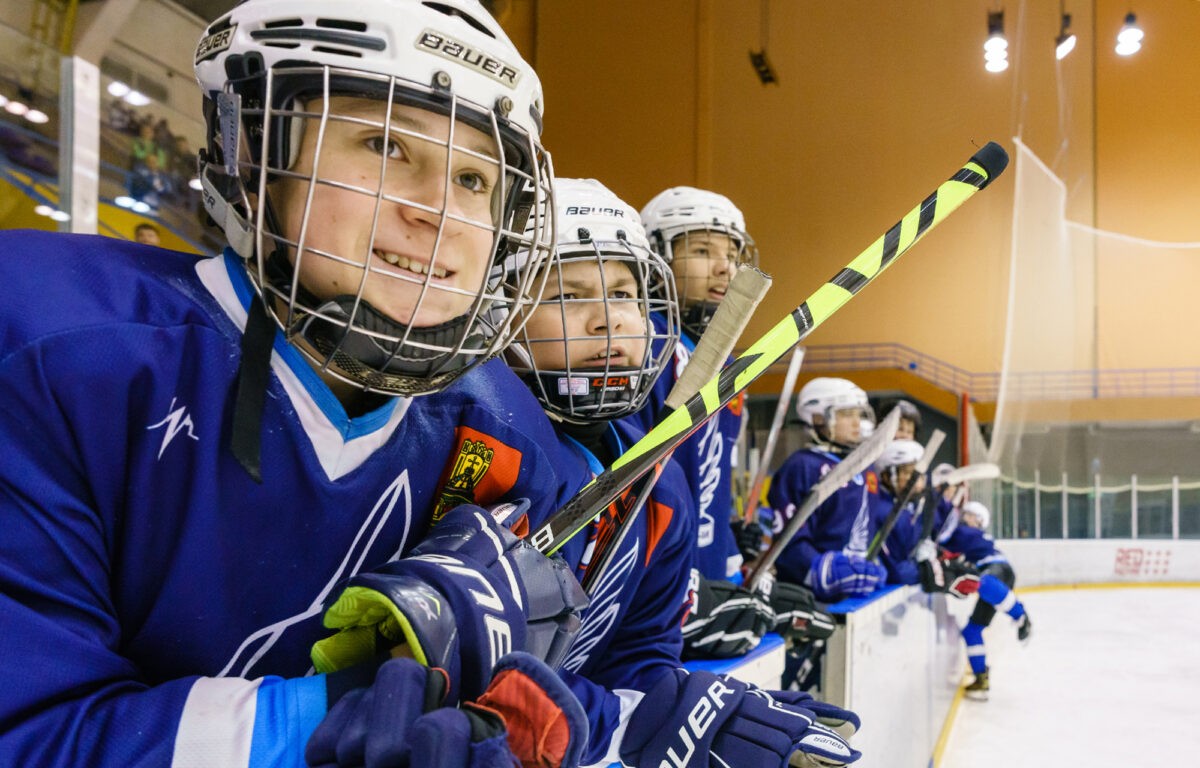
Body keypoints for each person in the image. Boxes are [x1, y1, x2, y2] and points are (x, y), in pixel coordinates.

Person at [0, 1, 598, 764]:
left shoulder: (501, 437)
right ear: (253, 151)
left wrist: (622, 715)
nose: (440, 213)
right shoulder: (52, 351)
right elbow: (25, 731)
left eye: (477, 178)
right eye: (385, 143)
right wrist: (320, 721)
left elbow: (537, 698)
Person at [504, 177, 861, 768]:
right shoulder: (481, 432)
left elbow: (638, 658)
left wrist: (726, 566)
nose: (609, 322)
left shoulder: (674, 443)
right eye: (701, 250)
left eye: (625, 295)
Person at [629, 186, 797, 660]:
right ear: (657, 257)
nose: (726, 267)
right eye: (702, 251)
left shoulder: (725, 366)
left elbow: (708, 483)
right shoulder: (645, 344)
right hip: (655, 607)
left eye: (732, 253)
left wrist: (732, 556)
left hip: (704, 594)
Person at [935, 500, 1033, 700]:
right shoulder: (972, 535)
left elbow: (944, 540)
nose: (965, 518)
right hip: (994, 582)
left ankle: (1021, 615)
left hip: (998, 573)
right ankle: (981, 680)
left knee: (983, 582)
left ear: (979, 521)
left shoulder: (970, 533)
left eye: (970, 515)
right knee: (972, 631)